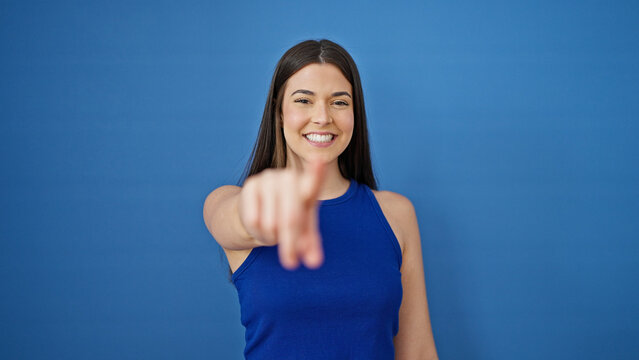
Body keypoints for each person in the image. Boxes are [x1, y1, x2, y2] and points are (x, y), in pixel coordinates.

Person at [203, 39, 438, 359]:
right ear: (279, 112)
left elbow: (419, 352)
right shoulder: (230, 201)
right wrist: (258, 213)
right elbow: (234, 222)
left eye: (339, 102)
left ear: (355, 113)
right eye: (304, 100)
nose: (322, 117)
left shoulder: (396, 214)